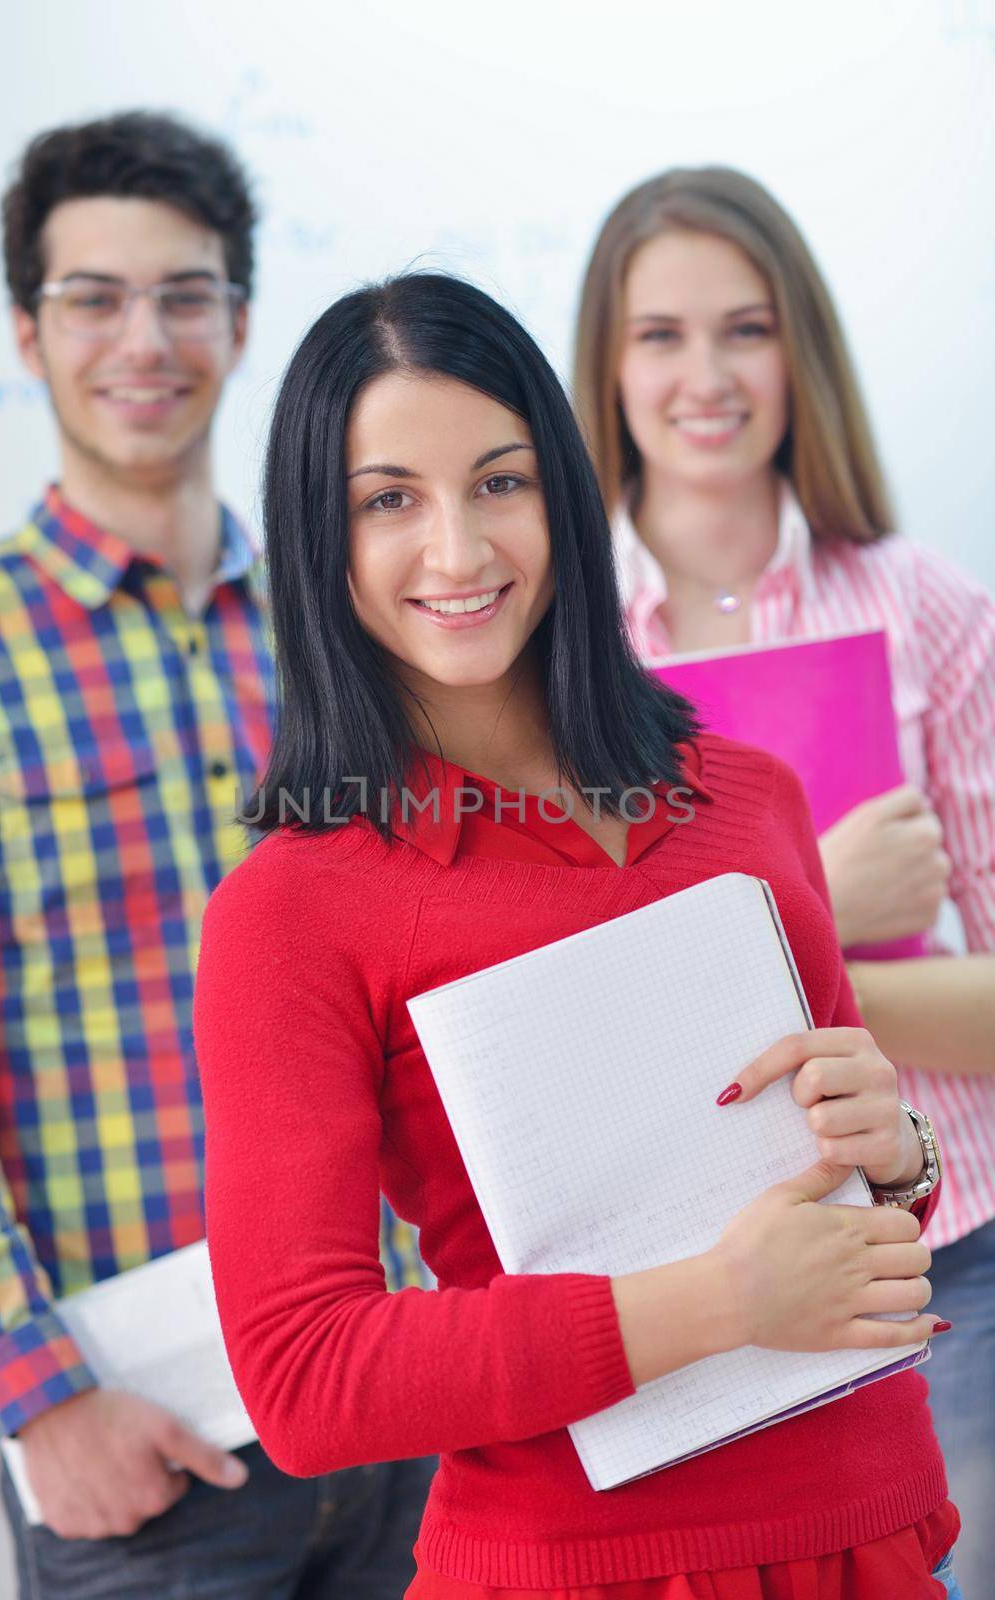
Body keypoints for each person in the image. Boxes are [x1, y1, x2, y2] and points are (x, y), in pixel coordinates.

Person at [194, 271, 960, 1600]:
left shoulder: (749, 799)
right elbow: (306, 1378)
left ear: (563, 486)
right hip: (586, 1570)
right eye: (390, 501)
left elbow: (855, 1211)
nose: (459, 549)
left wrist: (897, 1150)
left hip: (877, 1533)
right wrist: (720, 1304)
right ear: (320, 538)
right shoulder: (292, 912)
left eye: (501, 482)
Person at [0, 111, 431, 1599]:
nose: (142, 338)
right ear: (26, 329)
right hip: (150, 1452)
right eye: (93, 296)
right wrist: (38, 1397)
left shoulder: (348, 623)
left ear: (241, 319)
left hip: (409, 1399)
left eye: (184, 293)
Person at [572, 164, 995, 1599]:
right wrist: (815, 897)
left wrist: (787, 970)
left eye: (745, 329)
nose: (706, 376)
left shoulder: (925, 606)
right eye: (661, 335)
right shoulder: (550, 659)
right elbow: (579, 1023)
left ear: (799, 349)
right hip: (680, 1290)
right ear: (604, 366)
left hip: (947, 1254)